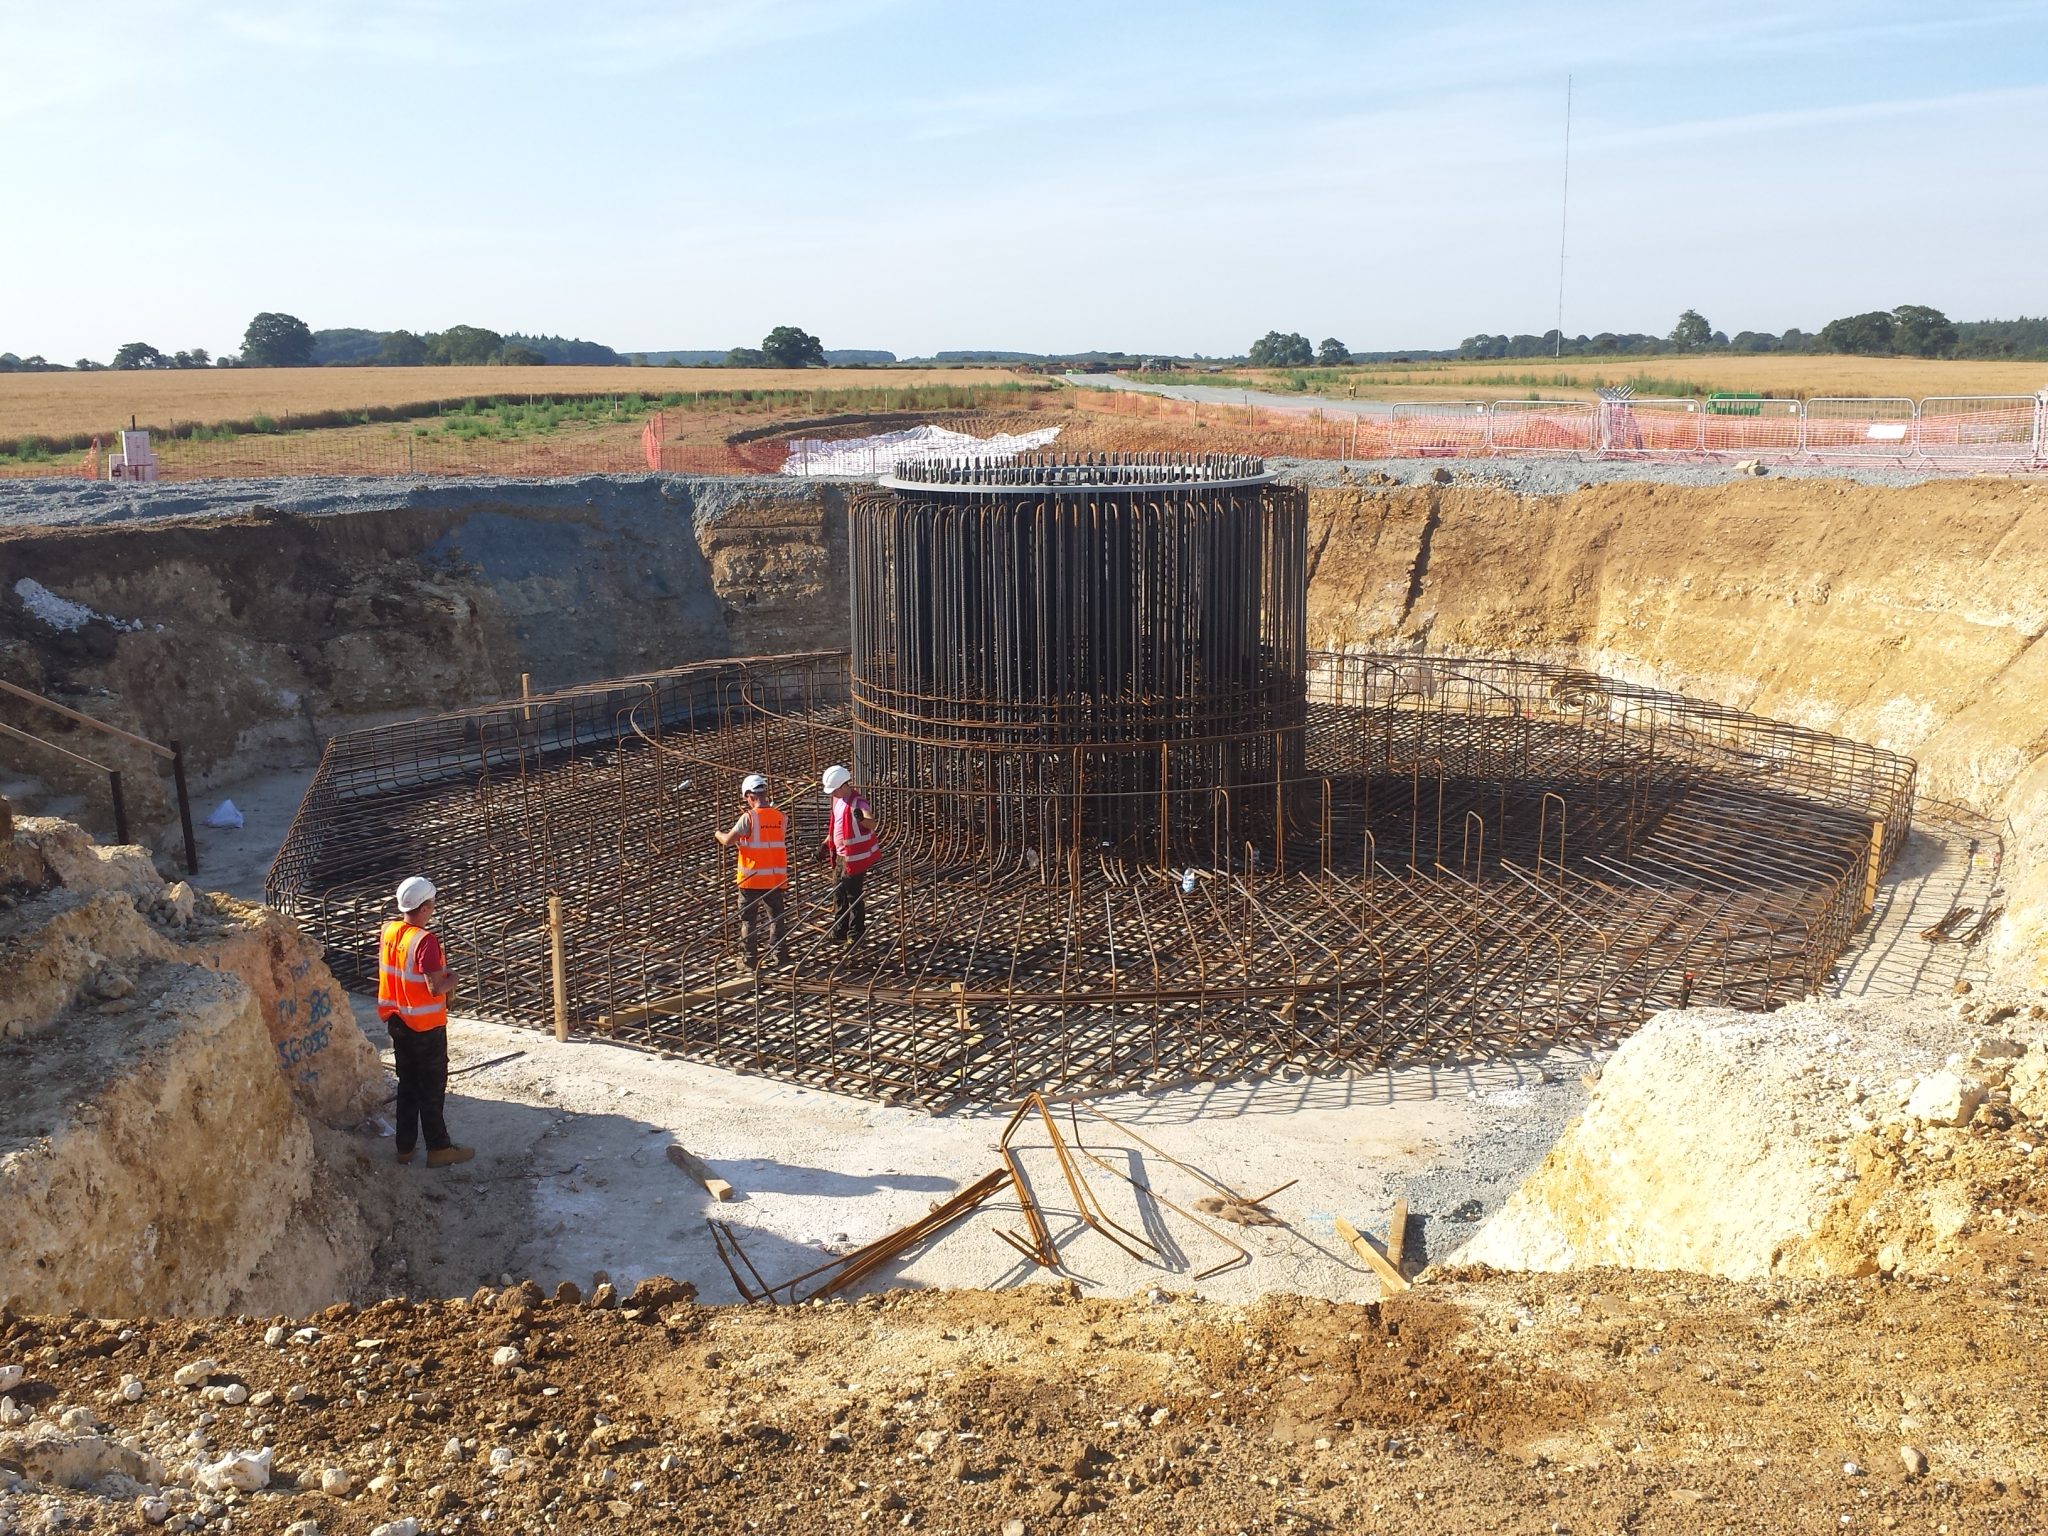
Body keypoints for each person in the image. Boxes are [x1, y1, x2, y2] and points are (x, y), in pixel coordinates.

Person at [377, 876, 473, 1167]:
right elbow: (435, 987)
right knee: (431, 1088)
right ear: (426, 907)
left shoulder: (390, 930)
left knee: (407, 1085)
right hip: (425, 1028)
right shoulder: (425, 941)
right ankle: (439, 1148)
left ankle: (404, 1148)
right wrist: (453, 978)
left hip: (397, 1020)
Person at [714, 772, 788, 971]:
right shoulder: (781, 817)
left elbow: (729, 840)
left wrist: (718, 834)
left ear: (749, 795)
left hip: (751, 880)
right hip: (774, 878)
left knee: (749, 920)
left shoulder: (749, 818)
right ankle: (780, 955)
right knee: (777, 917)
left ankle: (748, 960)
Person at [817, 763, 879, 945]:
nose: (833, 794)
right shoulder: (837, 800)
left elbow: (871, 823)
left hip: (855, 858)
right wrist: (824, 845)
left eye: (835, 790)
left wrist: (861, 818)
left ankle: (855, 932)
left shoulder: (858, 802)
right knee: (839, 893)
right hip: (841, 857)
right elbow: (835, 826)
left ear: (845, 785)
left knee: (853, 895)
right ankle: (840, 929)